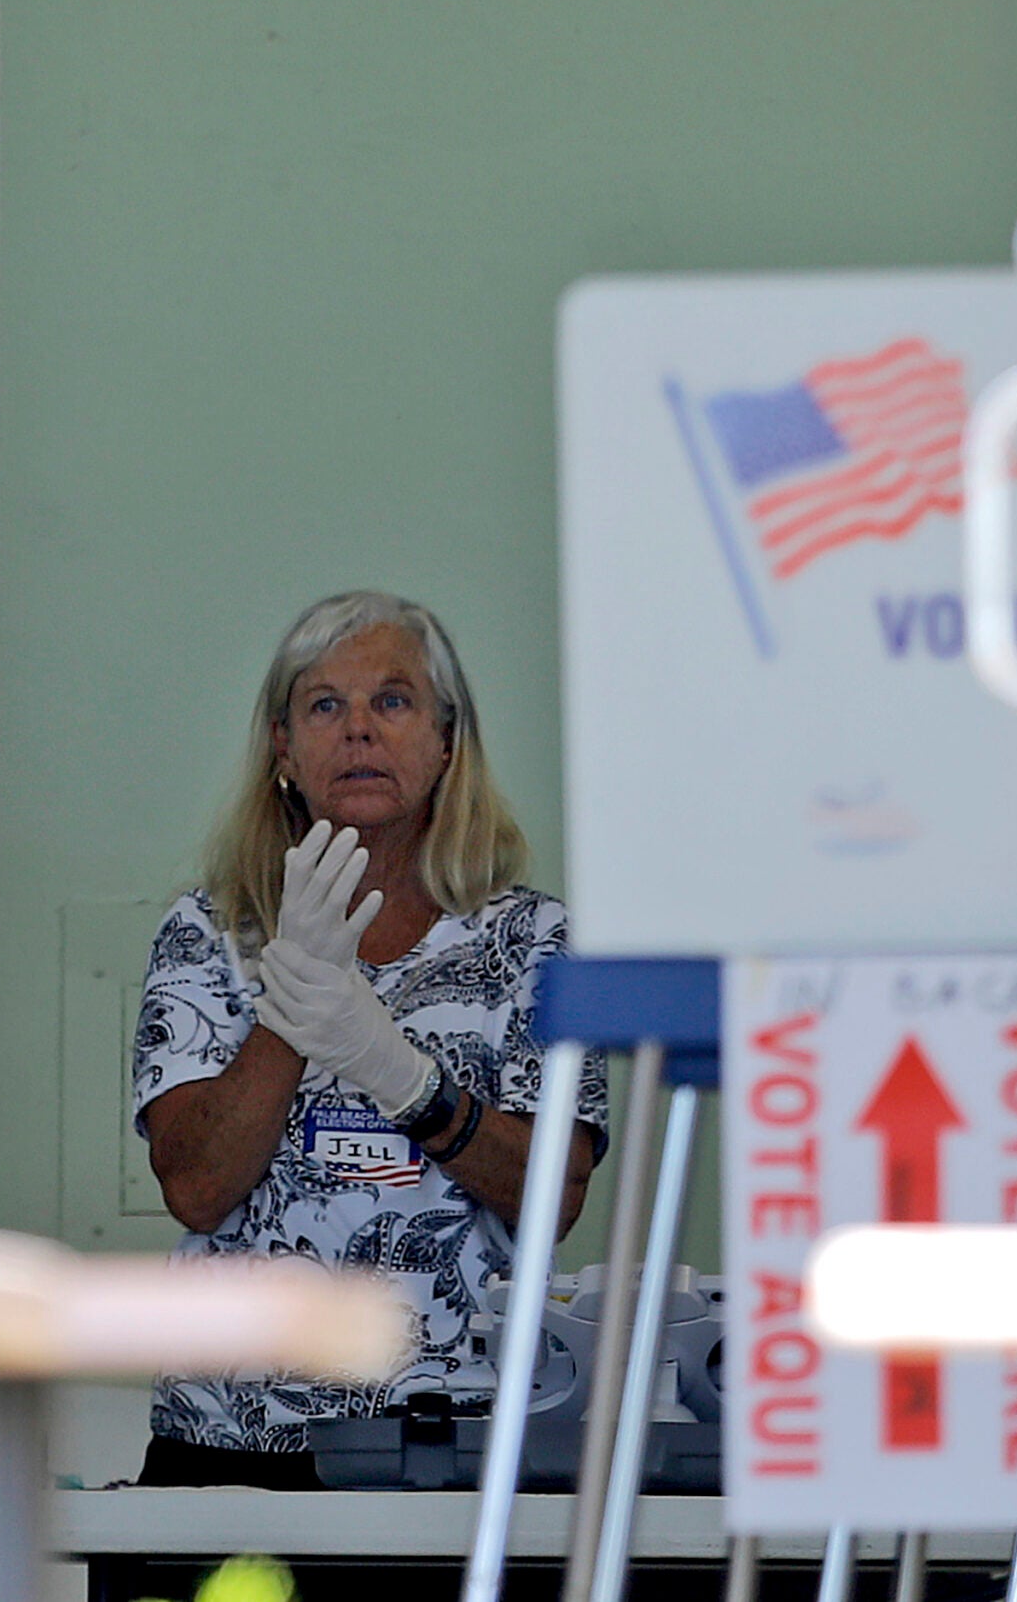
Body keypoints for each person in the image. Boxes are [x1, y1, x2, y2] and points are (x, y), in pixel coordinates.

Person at [132, 590, 604, 1486]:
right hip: (230, 1440)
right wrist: (292, 1004)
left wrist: (399, 1072)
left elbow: (555, 1195)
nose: (358, 730)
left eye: (392, 701)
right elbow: (195, 1185)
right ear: (284, 746)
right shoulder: (208, 930)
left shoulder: (533, 941)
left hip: (456, 1438)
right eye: (324, 704)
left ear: (446, 740)